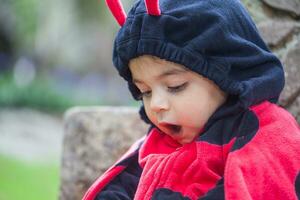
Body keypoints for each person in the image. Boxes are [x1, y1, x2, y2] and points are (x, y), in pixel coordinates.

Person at [83, 0, 300, 199]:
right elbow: (124, 184)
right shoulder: (159, 141)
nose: (156, 104)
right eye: (145, 92)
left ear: (227, 75)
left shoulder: (264, 132)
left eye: (175, 86)